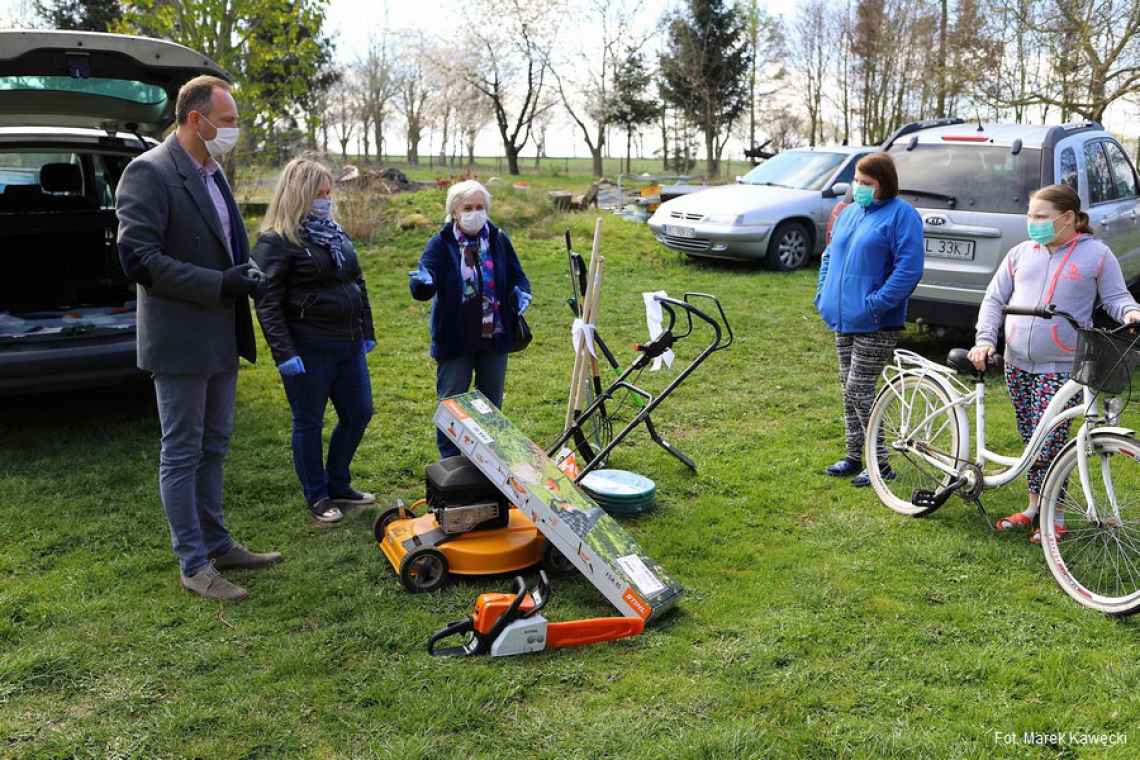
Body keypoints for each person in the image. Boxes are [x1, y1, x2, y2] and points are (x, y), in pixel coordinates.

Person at [116, 75, 281, 602]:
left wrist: (246, 271)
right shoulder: (148, 174)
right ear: (196, 119)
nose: (234, 131)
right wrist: (218, 283)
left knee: (215, 445)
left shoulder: (213, 171)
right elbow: (139, 260)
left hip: (219, 334)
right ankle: (192, 563)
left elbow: (225, 239)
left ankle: (217, 542)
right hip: (180, 338)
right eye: (228, 121)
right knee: (182, 452)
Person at [969, 184, 1140, 543]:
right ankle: (1034, 508)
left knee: (1053, 443)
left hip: (1063, 367)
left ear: (1067, 218)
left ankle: (1055, 516)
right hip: (1017, 362)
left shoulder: (1096, 254)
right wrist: (985, 340)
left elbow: (1115, 297)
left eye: (1040, 217)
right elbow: (994, 298)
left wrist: (1131, 312)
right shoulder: (1021, 253)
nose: (1033, 223)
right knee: (1032, 439)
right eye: (1030, 216)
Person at [251, 158, 377, 524]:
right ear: (299, 195)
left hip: (348, 342)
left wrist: (366, 331)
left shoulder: (335, 233)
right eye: (318, 194)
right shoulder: (277, 241)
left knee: (358, 413)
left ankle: (338, 482)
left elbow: (358, 283)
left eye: (328, 193)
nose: (326, 200)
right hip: (308, 348)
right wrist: (283, 353)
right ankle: (317, 495)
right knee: (308, 421)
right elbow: (266, 300)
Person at [815, 152, 924, 487]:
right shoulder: (849, 213)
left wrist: (878, 303)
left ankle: (880, 463)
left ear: (883, 184)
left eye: (867, 183)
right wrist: (823, 295)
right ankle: (852, 455)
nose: (859, 187)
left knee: (859, 388)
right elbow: (830, 255)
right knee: (847, 389)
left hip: (877, 320)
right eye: (857, 181)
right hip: (843, 317)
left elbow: (909, 267)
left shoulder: (902, 215)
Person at [409, 180, 532, 457]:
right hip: (456, 339)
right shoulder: (440, 244)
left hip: (495, 335)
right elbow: (422, 287)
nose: (475, 213)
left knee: (489, 406)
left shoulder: (498, 239)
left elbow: (518, 276)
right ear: (454, 211)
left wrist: (521, 292)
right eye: (468, 207)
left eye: (480, 207)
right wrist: (423, 283)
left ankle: (488, 461)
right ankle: (450, 465)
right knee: (452, 404)